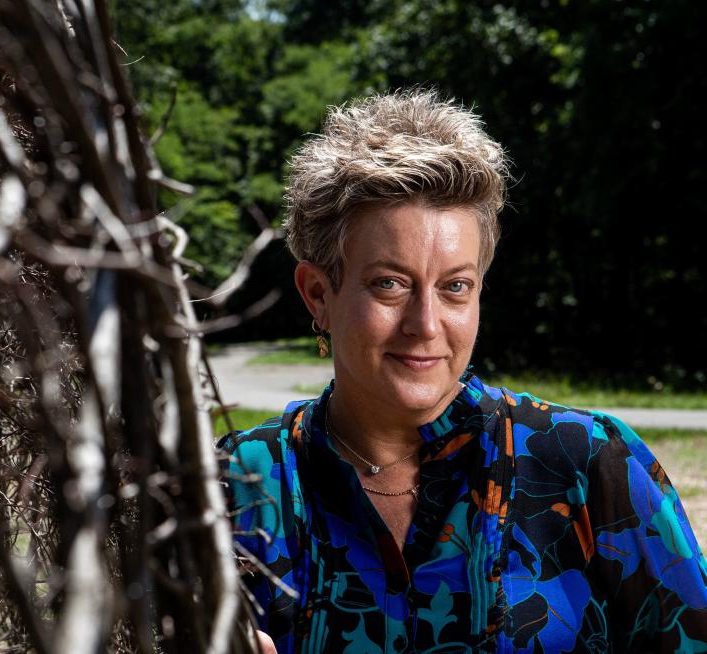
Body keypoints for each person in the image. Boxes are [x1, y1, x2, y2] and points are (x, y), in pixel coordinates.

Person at [218, 90, 707, 653]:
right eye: (389, 283)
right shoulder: (237, 485)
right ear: (317, 293)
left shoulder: (589, 463)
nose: (425, 324)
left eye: (455, 287)